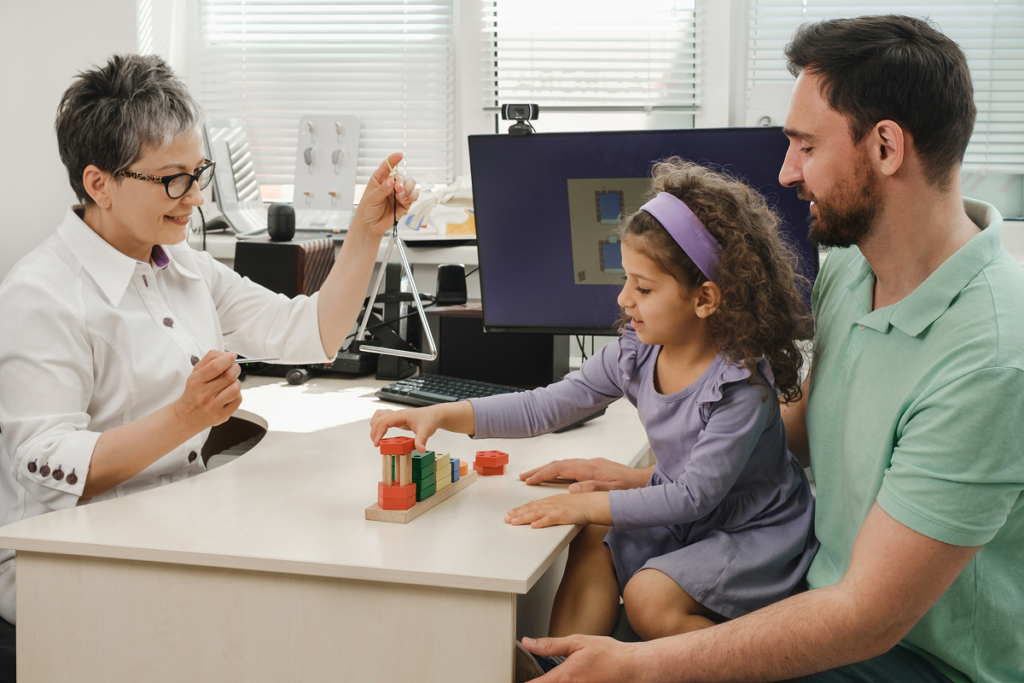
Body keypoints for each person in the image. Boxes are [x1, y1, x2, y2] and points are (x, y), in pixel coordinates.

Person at [497, 15, 1024, 683]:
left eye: (805, 145)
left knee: (631, 643)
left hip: (909, 656)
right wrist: (659, 484)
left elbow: (868, 615)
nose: (785, 170)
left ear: (886, 147)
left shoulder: (990, 353)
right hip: (823, 588)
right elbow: (801, 433)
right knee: (603, 584)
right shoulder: (853, 275)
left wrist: (640, 667)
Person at [0, 54, 419, 625]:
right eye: (173, 179)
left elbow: (312, 333)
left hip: (169, 521)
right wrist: (185, 416)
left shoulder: (185, 267)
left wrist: (365, 232)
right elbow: (44, 464)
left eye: (199, 174)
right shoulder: (40, 295)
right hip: (61, 554)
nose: (194, 196)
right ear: (100, 184)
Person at [370, 160, 820, 667]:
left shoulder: (741, 388)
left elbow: (695, 495)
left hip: (753, 530)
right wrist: (448, 414)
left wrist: (588, 505)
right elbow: (547, 405)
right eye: (627, 280)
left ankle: (747, 662)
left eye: (644, 289)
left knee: (650, 598)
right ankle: (561, 666)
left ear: (705, 298)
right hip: (690, 512)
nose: (626, 299)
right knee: (594, 534)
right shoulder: (638, 351)